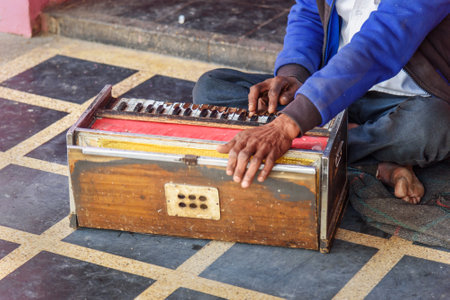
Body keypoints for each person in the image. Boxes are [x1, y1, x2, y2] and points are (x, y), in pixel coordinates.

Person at [192, 0, 450, 204]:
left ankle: (319, 139)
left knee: (433, 127)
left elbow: (378, 46)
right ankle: (377, 153)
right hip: (328, 91)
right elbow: (309, 13)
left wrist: (287, 125)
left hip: (408, 99)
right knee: (212, 88)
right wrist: (293, 75)